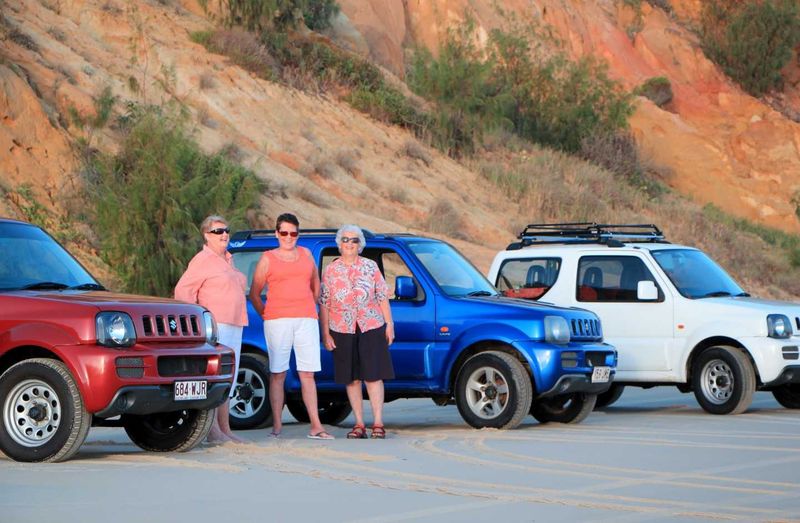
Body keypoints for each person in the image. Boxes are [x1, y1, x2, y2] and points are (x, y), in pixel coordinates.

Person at [249, 213, 333, 440]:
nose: (288, 237)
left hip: (306, 319)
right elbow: (255, 293)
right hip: (277, 321)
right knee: (278, 373)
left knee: (308, 373)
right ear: (277, 233)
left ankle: (316, 426)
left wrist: (309, 306)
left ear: (298, 234)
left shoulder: (306, 254)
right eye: (284, 232)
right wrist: (267, 315)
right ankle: (277, 427)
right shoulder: (267, 258)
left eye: (293, 233)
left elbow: (316, 285)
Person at [175, 215, 246, 444]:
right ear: (206, 235)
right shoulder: (203, 259)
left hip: (236, 324)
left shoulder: (227, 259)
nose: (224, 234)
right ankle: (213, 431)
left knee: (229, 378)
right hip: (217, 327)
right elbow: (183, 291)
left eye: (226, 230)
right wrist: (196, 323)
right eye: (218, 231)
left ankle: (225, 429)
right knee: (215, 376)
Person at [319, 224, 395, 439]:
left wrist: (389, 324)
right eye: (345, 240)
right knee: (351, 378)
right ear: (339, 244)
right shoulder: (331, 270)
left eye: (354, 240)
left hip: (370, 324)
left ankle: (378, 422)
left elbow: (382, 296)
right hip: (341, 327)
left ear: (360, 244)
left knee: (373, 375)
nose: (349, 244)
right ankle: (359, 424)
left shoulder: (370, 266)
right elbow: (324, 303)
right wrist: (325, 333)